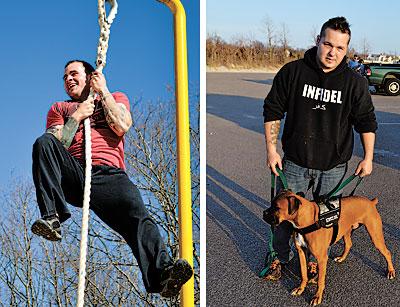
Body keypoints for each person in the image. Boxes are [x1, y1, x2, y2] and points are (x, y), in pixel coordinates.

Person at [31, 60, 193, 297]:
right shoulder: (60, 108)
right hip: (74, 173)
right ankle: (52, 218)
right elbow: (56, 144)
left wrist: (103, 92)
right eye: (64, 76)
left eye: (74, 74)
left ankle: (163, 276)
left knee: (138, 217)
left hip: (109, 175)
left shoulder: (114, 97)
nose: (68, 79)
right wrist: (76, 117)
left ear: (90, 77)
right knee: (43, 142)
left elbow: (122, 125)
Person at [262, 17, 377, 281]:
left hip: (334, 167)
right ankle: (279, 257)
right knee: (282, 216)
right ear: (318, 41)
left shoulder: (354, 83)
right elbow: (273, 110)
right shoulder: (293, 72)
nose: (332, 52)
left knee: (324, 222)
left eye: (339, 47)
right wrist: (271, 149)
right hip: (295, 163)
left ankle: (314, 260)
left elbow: (367, 121)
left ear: (346, 49)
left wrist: (368, 157)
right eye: (328, 44)